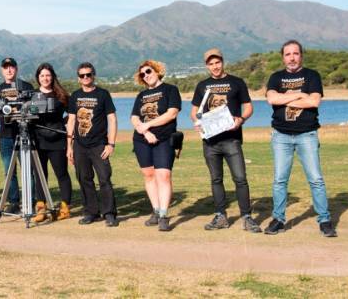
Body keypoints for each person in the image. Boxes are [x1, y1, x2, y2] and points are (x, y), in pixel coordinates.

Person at [265, 40, 337, 237]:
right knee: (280, 180)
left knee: (316, 179)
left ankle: (325, 220)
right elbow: (272, 99)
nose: (292, 58)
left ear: (301, 55)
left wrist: (286, 97)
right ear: (283, 57)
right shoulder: (276, 77)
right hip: (281, 136)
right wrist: (299, 94)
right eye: (288, 54)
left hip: (307, 134)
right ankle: (278, 219)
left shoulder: (312, 75)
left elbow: (314, 101)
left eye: (295, 53)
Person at [190, 49, 261, 233]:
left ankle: (247, 217)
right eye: (211, 64)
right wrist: (197, 123)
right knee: (216, 179)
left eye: (217, 62)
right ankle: (221, 216)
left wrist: (241, 120)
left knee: (240, 179)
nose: (215, 66)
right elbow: (194, 111)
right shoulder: (202, 85)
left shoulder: (236, 82)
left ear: (223, 62)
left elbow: (248, 107)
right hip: (210, 142)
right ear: (207, 66)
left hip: (232, 140)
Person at [66, 62, 119, 227]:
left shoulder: (103, 94)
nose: (85, 78)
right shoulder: (75, 95)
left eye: (88, 74)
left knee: (104, 178)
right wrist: (69, 146)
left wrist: (111, 144)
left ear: (93, 75)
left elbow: (112, 119)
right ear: (78, 78)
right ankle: (91, 212)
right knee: (84, 179)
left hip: (99, 145)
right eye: (82, 75)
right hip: (80, 146)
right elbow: (71, 120)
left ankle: (109, 213)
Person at [130, 60, 181, 231]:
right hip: (141, 139)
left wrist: (148, 125)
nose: (146, 76)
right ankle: (156, 210)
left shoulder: (170, 90)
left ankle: (164, 215)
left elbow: (171, 113)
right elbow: (135, 118)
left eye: (148, 71)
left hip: (165, 139)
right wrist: (145, 131)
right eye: (142, 74)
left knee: (164, 175)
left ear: (157, 71)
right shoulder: (141, 96)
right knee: (149, 175)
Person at [31, 63, 72, 222]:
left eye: (48, 75)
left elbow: (73, 115)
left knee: (61, 174)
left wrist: (64, 123)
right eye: (42, 76)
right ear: (38, 78)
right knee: (41, 176)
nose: (45, 78)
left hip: (57, 141)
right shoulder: (33, 95)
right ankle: (41, 208)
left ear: (52, 76)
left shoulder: (61, 95)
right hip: (38, 141)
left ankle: (65, 208)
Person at [0, 57, 33, 214]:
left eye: (12, 67)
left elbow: (33, 108)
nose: (9, 70)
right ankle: (14, 202)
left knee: (28, 170)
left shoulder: (26, 86)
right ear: (2, 70)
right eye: (6, 67)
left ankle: (31, 200)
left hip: (24, 134)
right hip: (5, 136)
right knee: (9, 171)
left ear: (16, 69)